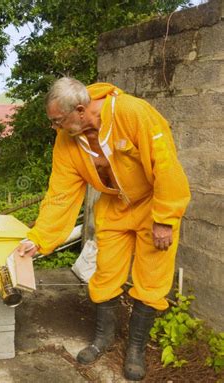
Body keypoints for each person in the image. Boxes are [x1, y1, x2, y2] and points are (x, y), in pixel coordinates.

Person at [16, 77, 190, 381]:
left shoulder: (133, 113)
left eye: (57, 121)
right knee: (105, 273)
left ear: (80, 110)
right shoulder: (67, 141)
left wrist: (165, 219)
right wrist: (39, 238)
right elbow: (61, 194)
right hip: (114, 208)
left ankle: (135, 348)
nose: (54, 128)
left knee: (152, 278)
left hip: (152, 206)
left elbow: (166, 166)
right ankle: (104, 338)